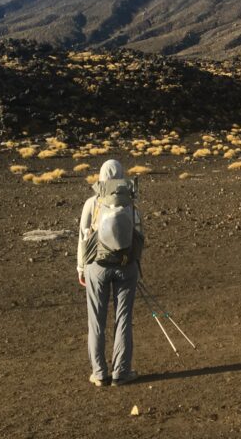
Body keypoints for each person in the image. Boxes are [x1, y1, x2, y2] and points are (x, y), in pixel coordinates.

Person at [77, 159, 145, 386]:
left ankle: (99, 373)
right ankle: (121, 372)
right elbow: (139, 237)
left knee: (96, 320)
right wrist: (135, 264)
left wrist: (80, 268)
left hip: (97, 267)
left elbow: (82, 238)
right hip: (126, 266)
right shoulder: (131, 205)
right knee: (123, 318)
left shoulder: (92, 203)